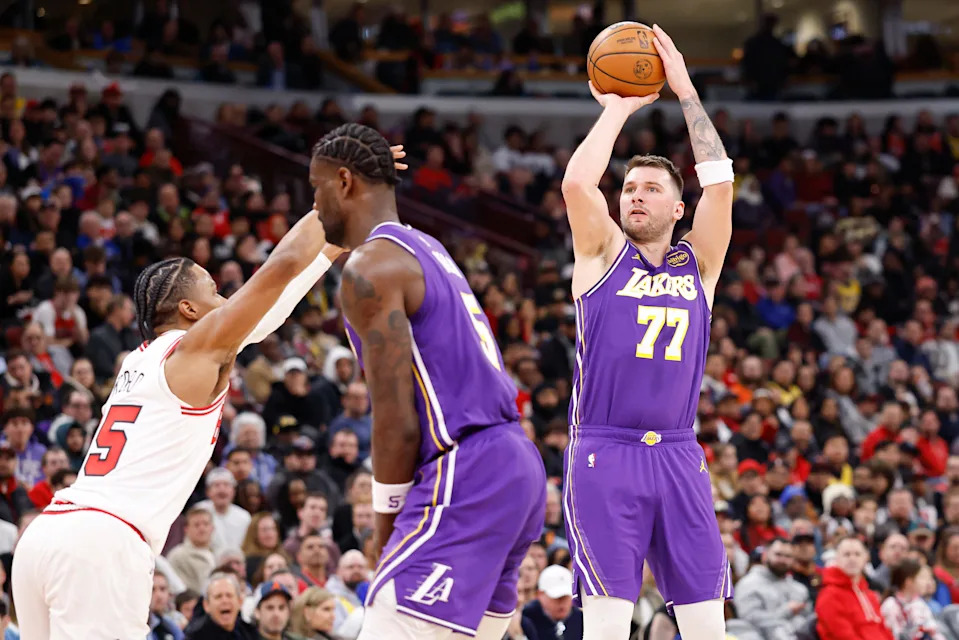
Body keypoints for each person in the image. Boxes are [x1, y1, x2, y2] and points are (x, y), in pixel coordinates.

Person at [12, 181, 356, 637]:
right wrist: (332, 198)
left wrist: (332, 246)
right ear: (190, 309)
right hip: (103, 543)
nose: (225, 303)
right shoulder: (194, 351)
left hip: (47, 535)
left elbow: (268, 311)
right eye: (214, 291)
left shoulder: (143, 357)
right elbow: (281, 267)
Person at [314, 122, 547, 639]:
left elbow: (395, 420)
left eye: (317, 187)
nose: (315, 204)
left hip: (467, 472)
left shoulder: (369, 268)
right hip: (516, 465)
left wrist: (385, 527)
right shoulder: (428, 248)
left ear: (345, 182)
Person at [558, 25, 734, 640]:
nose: (635, 195)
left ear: (676, 209)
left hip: (681, 453)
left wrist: (684, 89)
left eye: (650, 188)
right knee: (606, 627)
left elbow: (720, 182)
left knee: (708, 628)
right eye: (629, 188)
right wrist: (617, 110)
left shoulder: (700, 264)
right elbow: (580, 186)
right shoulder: (602, 253)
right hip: (606, 450)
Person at [735, 538, 813, 640]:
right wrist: (786, 611)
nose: (783, 560)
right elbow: (748, 619)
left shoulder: (799, 589)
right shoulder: (749, 584)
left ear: (793, 560)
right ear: (764, 556)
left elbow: (807, 621)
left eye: (788, 556)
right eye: (778, 554)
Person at [816, 537, 893, 640]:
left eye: (857, 554)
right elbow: (843, 635)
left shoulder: (869, 595)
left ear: (865, 558)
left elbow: (883, 629)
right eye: (846, 554)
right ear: (837, 559)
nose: (852, 558)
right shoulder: (829, 595)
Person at [879, 558, 946, 640]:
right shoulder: (891, 605)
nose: (927, 582)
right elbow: (892, 635)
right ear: (909, 581)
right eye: (922, 578)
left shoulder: (920, 604)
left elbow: (933, 631)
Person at [521, 564, 584, 640]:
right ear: (540, 595)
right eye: (557, 598)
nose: (562, 603)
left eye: (566, 597)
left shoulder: (581, 620)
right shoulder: (526, 618)